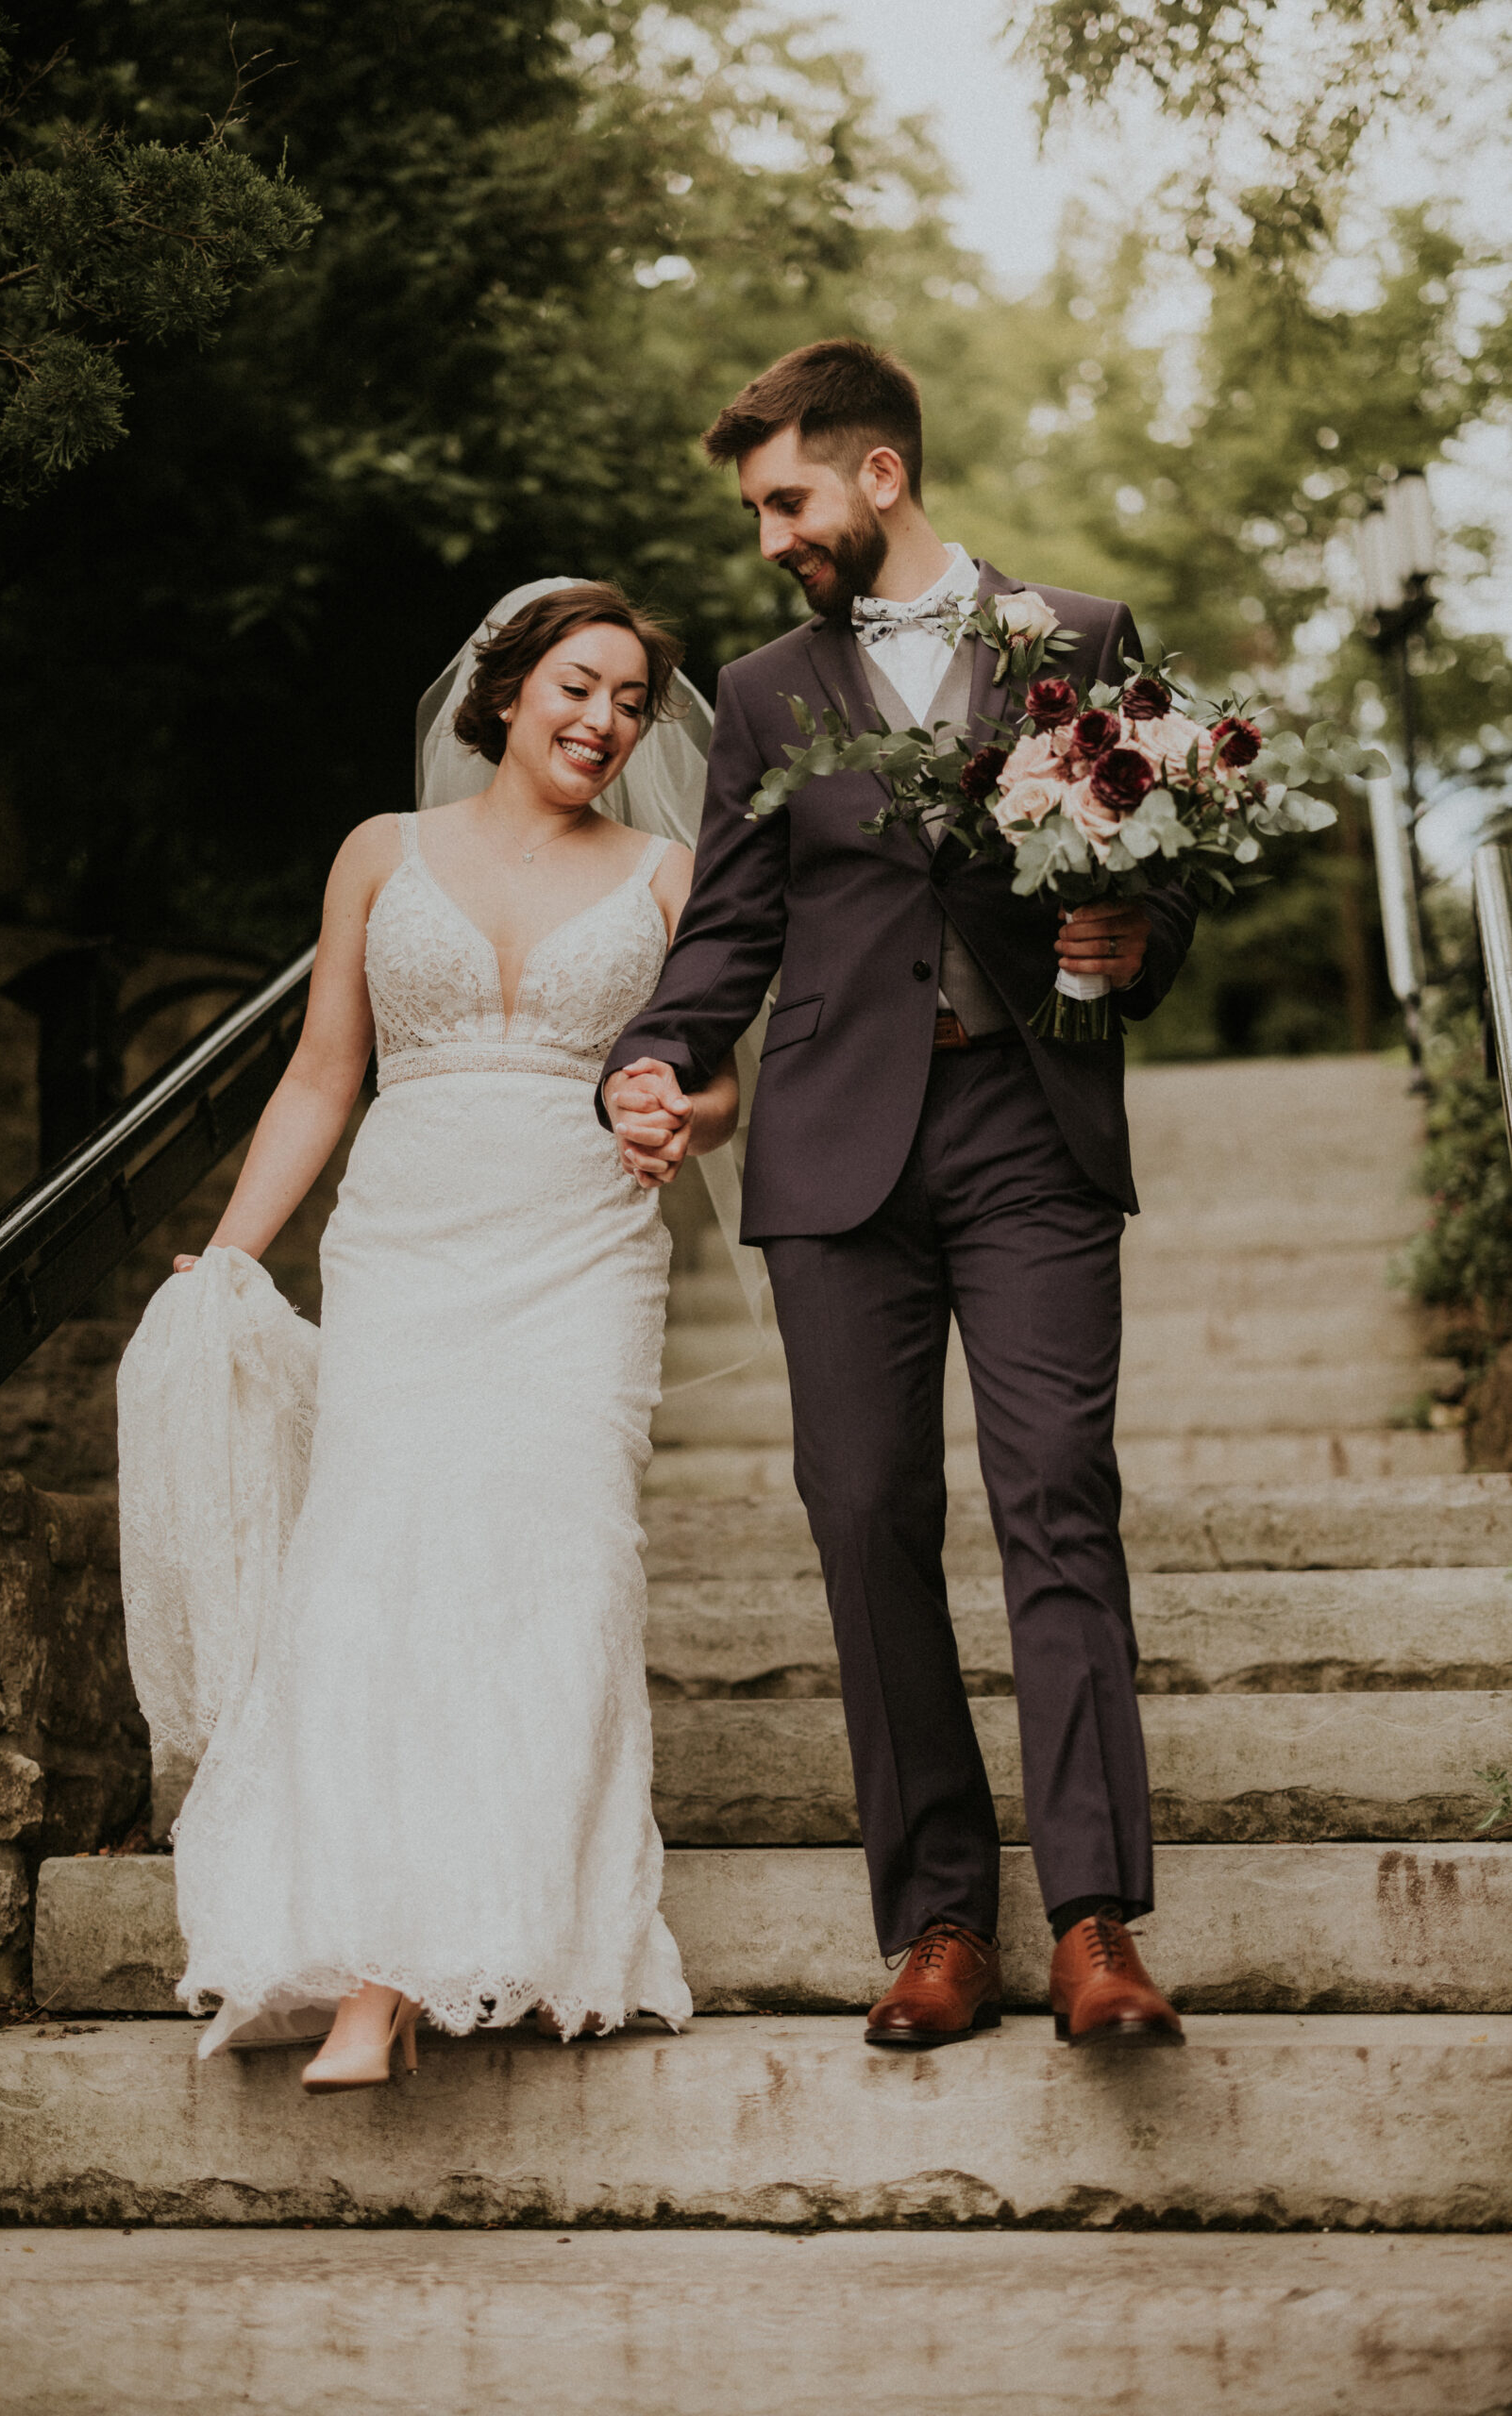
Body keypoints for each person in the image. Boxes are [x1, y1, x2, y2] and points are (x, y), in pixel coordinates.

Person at [601, 340, 1195, 2052]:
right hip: (837, 1150)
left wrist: (1135, 939)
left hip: (1029, 1125)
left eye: (786, 499)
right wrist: (653, 1055)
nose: (771, 534)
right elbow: (725, 931)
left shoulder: (1078, 640)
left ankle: (1097, 1920)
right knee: (865, 1519)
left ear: (876, 474)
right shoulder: (768, 687)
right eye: (756, 511)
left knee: (1054, 1494)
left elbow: (1156, 871)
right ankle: (940, 1920)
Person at [119, 581, 737, 2090]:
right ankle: (372, 1961)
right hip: (407, 1243)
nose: (606, 722)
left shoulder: (669, 874)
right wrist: (233, 1253)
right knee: (379, 1558)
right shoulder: (379, 857)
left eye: (633, 703)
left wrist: (682, 1113)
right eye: (579, 688)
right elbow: (326, 1077)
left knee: (557, 1554)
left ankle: (491, 1932)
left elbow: (726, 1089)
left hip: (583, 1248)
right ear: (508, 688)